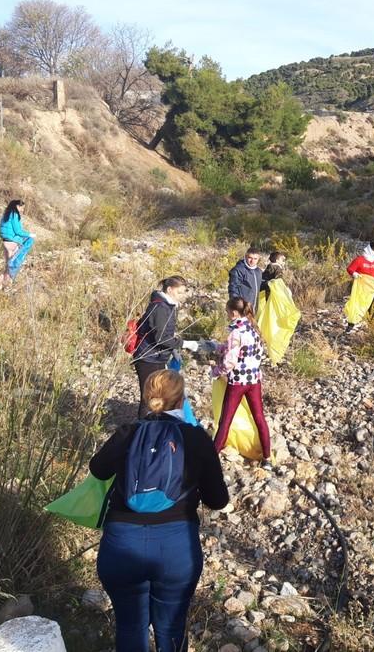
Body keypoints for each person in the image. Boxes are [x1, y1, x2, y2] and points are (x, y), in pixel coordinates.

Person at [90, 369, 229, 652]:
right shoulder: (196, 438)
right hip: (176, 549)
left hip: (121, 546)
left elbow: (98, 469)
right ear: (181, 401)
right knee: (171, 628)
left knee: (130, 626)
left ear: (146, 397)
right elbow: (218, 500)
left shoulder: (128, 433)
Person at [212, 297, 271, 468]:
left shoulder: (235, 332)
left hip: (238, 381)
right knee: (259, 417)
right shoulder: (253, 327)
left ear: (234, 313)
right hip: (254, 379)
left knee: (226, 419)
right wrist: (219, 347)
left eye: (227, 311)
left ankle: (213, 455)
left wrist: (216, 372)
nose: (227, 314)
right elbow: (250, 351)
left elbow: (230, 361)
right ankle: (267, 458)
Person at [131, 277, 195, 417]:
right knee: (149, 398)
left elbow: (166, 333)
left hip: (157, 356)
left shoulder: (169, 305)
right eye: (179, 292)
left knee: (159, 395)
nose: (182, 296)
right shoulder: (160, 307)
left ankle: (153, 428)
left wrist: (173, 350)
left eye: (183, 292)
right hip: (148, 357)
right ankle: (143, 431)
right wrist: (184, 344)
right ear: (170, 290)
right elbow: (161, 338)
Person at [0, 199, 35, 290]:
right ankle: (7, 286)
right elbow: (18, 231)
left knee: (7, 265)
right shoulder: (14, 215)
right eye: (22, 208)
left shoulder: (6, 214)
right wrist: (30, 234)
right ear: (17, 206)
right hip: (12, 242)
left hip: (5, 241)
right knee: (12, 266)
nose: (22, 210)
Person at [344, 242, 374, 332]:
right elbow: (350, 269)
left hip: (370, 288)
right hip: (360, 287)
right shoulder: (359, 260)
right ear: (371, 251)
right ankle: (350, 325)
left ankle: (371, 325)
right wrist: (354, 273)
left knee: (371, 305)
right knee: (356, 304)